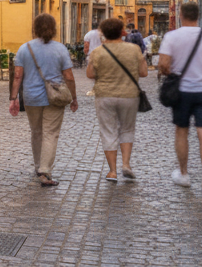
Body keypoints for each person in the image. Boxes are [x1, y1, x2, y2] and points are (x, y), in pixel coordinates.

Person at [158, 2, 202, 193]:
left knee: (182, 131)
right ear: (198, 16)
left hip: (183, 91)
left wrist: (171, 73)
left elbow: (163, 63)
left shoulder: (172, 37)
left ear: (180, 15)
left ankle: (184, 174)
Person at [10, 13, 79, 187]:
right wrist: (74, 97)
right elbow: (69, 77)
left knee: (36, 132)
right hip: (54, 97)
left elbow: (17, 76)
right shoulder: (60, 49)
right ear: (54, 29)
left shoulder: (25, 48)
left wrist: (13, 98)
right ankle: (45, 170)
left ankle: (37, 166)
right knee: (50, 133)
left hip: (31, 98)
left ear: (35, 29)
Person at [86, 17, 147, 182]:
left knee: (108, 131)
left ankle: (112, 171)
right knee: (127, 129)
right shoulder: (134, 49)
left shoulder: (97, 51)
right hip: (129, 95)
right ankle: (126, 165)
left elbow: (90, 74)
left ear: (103, 34)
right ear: (122, 32)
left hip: (105, 95)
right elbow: (143, 73)